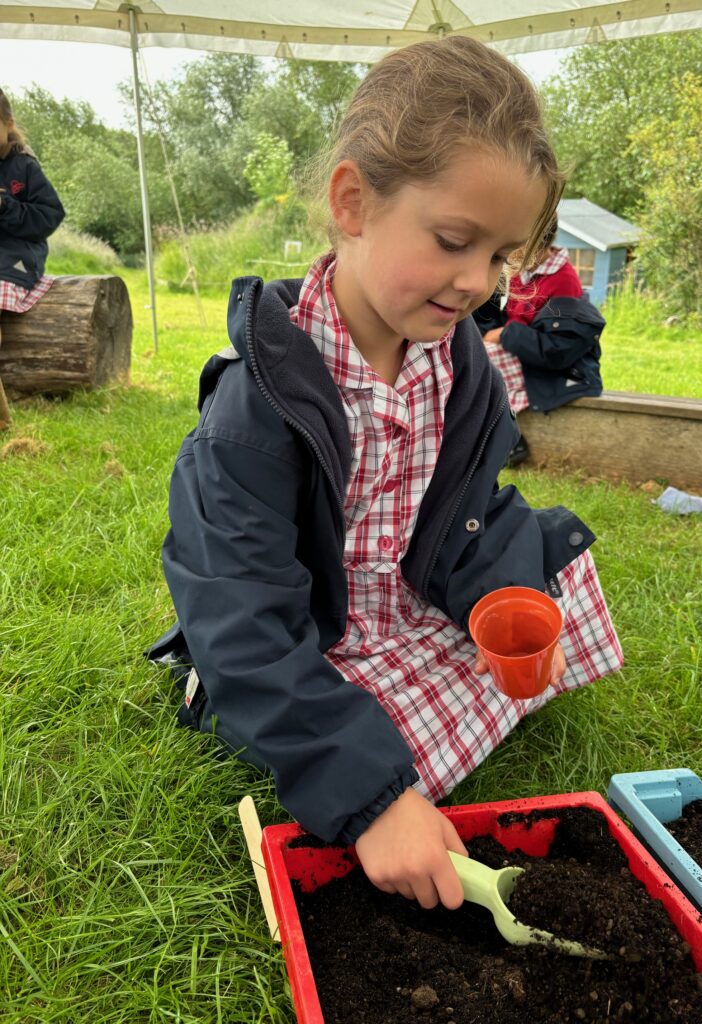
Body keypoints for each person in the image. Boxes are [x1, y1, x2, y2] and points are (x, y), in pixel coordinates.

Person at [149, 36, 623, 913]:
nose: (477, 282)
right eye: (452, 241)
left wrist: (496, 593)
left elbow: (462, 515)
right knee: (355, 747)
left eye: (501, 257)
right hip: (304, 637)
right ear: (354, 200)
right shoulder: (258, 410)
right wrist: (373, 798)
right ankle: (362, 771)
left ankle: (403, 744)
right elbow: (238, 604)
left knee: (565, 580)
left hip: (402, 608)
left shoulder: (463, 370)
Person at [473, 217, 605, 466]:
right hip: (521, 352)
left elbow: (558, 349)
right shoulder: (522, 271)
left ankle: (508, 438)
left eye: (518, 244)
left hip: (552, 367)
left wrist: (504, 335)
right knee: (469, 355)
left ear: (536, 244)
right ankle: (493, 436)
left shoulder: (562, 280)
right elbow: (504, 316)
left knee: (480, 366)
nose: (511, 252)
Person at [0, 88, 65, 424]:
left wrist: (5, 207)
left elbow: (51, 215)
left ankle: (2, 416)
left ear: (7, 124)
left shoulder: (24, 167)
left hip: (17, 259)